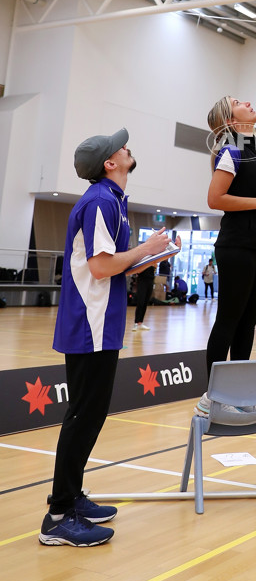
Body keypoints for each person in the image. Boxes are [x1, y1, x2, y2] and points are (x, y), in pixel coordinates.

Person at [39, 128, 179, 547]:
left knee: (91, 415)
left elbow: (112, 265)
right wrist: (144, 249)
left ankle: (72, 497)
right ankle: (59, 515)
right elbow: (100, 269)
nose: (126, 147)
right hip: (90, 323)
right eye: (121, 146)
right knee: (83, 416)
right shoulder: (100, 200)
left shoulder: (113, 200)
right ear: (109, 163)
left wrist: (150, 254)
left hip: (102, 323)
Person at [196, 97, 256, 415]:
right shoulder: (231, 148)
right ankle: (212, 399)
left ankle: (240, 396)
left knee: (247, 323)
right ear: (230, 120)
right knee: (229, 321)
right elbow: (215, 198)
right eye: (238, 102)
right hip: (237, 246)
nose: (248, 102)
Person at [132, 263, 155, 331]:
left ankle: (140, 322)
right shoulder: (143, 261)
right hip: (142, 280)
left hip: (150, 281)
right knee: (140, 301)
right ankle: (136, 323)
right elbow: (138, 271)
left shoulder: (152, 259)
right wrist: (147, 264)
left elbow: (155, 266)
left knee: (145, 302)